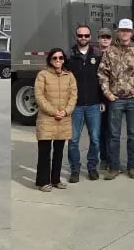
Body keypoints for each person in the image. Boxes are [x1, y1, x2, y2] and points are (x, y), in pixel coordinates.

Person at [97, 18, 134, 180]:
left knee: (132, 134)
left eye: (128, 31)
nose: (125, 33)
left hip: (133, 99)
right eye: (122, 30)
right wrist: (108, 93)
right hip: (115, 99)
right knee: (114, 135)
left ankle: (132, 167)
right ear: (118, 32)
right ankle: (114, 167)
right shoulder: (110, 51)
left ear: (132, 33)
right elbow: (102, 74)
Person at [33, 48, 77, 192]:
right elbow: (39, 96)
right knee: (44, 152)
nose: (58, 61)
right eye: (55, 58)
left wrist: (65, 111)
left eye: (60, 58)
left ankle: (55, 179)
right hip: (47, 118)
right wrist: (53, 112)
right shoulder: (42, 75)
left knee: (59, 151)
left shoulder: (69, 76)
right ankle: (42, 182)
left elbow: (73, 96)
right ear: (50, 60)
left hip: (63, 119)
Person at [65, 25, 103, 182]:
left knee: (95, 139)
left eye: (86, 35)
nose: (83, 38)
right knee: (73, 140)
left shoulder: (97, 56)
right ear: (76, 37)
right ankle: (75, 169)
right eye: (80, 35)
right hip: (76, 105)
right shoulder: (69, 57)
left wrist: (102, 100)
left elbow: (103, 80)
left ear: (90, 37)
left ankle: (92, 167)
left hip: (94, 104)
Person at [95, 27, 114, 171]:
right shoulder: (93, 57)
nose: (105, 39)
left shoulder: (115, 55)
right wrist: (100, 100)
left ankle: (113, 159)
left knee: (113, 131)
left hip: (113, 98)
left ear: (111, 39)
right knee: (101, 131)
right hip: (100, 99)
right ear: (98, 39)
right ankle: (104, 158)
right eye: (102, 37)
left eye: (107, 37)